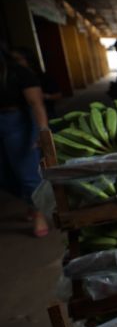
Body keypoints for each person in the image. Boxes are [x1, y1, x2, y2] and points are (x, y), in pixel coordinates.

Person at [0, 46, 50, 237]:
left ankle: (39, 212)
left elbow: (36, 103)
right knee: (4, 175)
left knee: (27, 172)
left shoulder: (18, 73)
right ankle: (31, 202)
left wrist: (41, 131)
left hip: (17, 122)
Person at [9, 46, 62, 118]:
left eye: (17, 59)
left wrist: (46, 96)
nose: (14, 63)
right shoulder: (11, 79)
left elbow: (58, 95)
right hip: (23, 116)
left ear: (28, 60)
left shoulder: (43, 77)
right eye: (11, 60)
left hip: (46, 113)